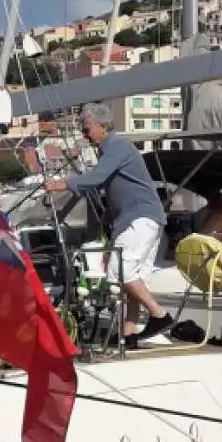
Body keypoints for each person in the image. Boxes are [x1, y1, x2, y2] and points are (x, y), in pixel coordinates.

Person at [44, 103, 174, 349]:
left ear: (102, 126)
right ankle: (130, 334)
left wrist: (62, 184)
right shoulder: (111, 150)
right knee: (133, 278)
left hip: (139, 218)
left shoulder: (117, 146)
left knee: (119, 272)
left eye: (87, 129)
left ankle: (160, 316)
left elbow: (95, 179)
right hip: (143, 218)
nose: (85, 134)